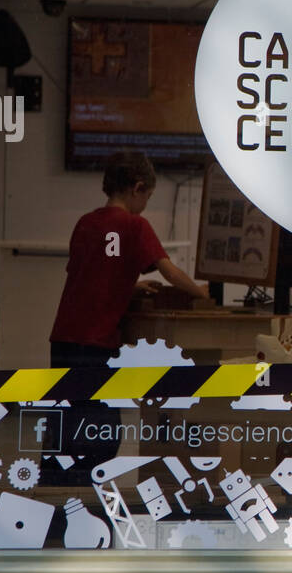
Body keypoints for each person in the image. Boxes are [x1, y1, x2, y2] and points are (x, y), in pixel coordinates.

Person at [47, 151, 208, 478]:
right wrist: (202, 293)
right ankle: (84, 497)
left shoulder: (86, 222)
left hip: (64, 339)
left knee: (65, 423)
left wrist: (129, 285)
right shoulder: (135, 226)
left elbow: (88, 275)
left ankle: (55, 491)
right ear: (137, 188)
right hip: (97, 343)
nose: (146, 203)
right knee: (101, 431)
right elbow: (171, 274)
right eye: (148, 196)